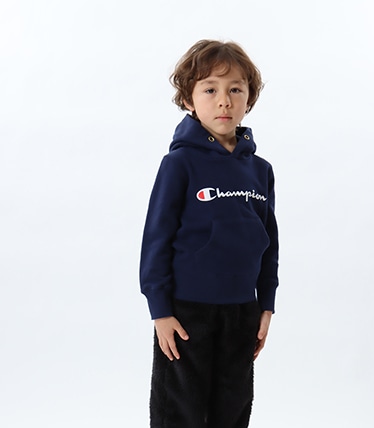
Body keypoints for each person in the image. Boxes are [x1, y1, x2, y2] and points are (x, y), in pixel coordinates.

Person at [139, 39, 279, 428]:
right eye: (210, 89)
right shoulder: (179, 164)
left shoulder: (260, 171)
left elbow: (268, 244)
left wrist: (266, 304)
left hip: (242, 312)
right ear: (188, 99)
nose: (224, 101)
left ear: (249, 98)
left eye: (235, 89)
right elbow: (156, 239)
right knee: (179, 411)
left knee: (232, 409)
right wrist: (160, 311)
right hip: (187, 314)